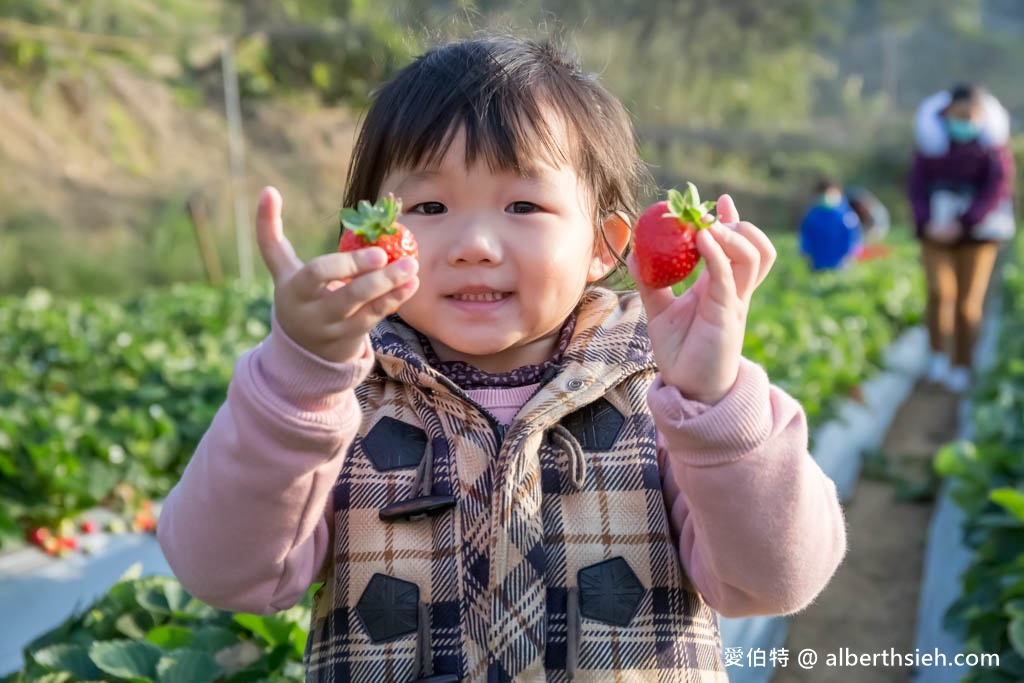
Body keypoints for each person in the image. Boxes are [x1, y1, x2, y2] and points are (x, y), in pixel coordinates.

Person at [158, 36, 846, 680]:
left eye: (523, 203)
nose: (475, 243)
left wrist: (716, 401)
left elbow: (774, 580)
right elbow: (224, 572)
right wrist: (297, 376)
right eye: (428, 204)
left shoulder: (661, 397)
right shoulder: (346, 400)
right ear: (366, 230)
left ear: (606, 246)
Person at [908, 83, 1016, 393]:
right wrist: (927, 221)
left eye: (970, 117)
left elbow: (996, 191)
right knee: (939, 294)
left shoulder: (993, 152)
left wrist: (964, 222)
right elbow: (915, 188)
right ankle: (938, 356)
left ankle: (963, 364)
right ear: (944, 115)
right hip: (934, 235)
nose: (963, 123)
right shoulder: (929, 149)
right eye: (958, 116)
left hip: (977, 237)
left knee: (968, 305)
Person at [798, 178, 863, 270]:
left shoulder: (847, 216)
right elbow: (806, 238)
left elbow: (855, 239)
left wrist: (850, 256)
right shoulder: (812, 216)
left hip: (842, 265)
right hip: (817, 264)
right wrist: (806, 253)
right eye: (824, 194)